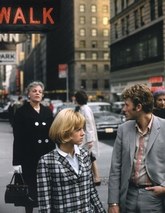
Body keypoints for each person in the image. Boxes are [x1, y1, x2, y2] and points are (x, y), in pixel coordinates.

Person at [108, 84, 165, 213]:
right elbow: (115, 168)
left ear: (138, 107)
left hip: (155, 198)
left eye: (126, 105)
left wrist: (164, 188)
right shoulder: (123, 129)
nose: (123, 109)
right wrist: (113, 202)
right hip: (128, 196)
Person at [37, 108, 106, 212]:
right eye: (78, 129)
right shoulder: (46, 162)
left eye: (83, 129)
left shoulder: (85, 155)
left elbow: (91, 191)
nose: (83, 133)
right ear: (65, 131)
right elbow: (45, 204)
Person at [12, 81, 55, 213]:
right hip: (28, 157)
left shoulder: (47, 111)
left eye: (40, 91)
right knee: (30, 190)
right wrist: (16, 162)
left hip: (46, 155)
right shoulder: (21, 112)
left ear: (42, 95)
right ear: (28, 94)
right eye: (34, 91)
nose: (37, 93)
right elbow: (18, 138)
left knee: (47, 188)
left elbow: (52, 134)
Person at [74, 90, 101, 186]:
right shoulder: (82, 108)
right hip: (85, 137)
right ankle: (95, 177)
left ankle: (96, 178)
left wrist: (90, 140)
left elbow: (89, 124)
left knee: (89, 157)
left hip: (86, 138)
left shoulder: (85, 109)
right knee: (91, 157)